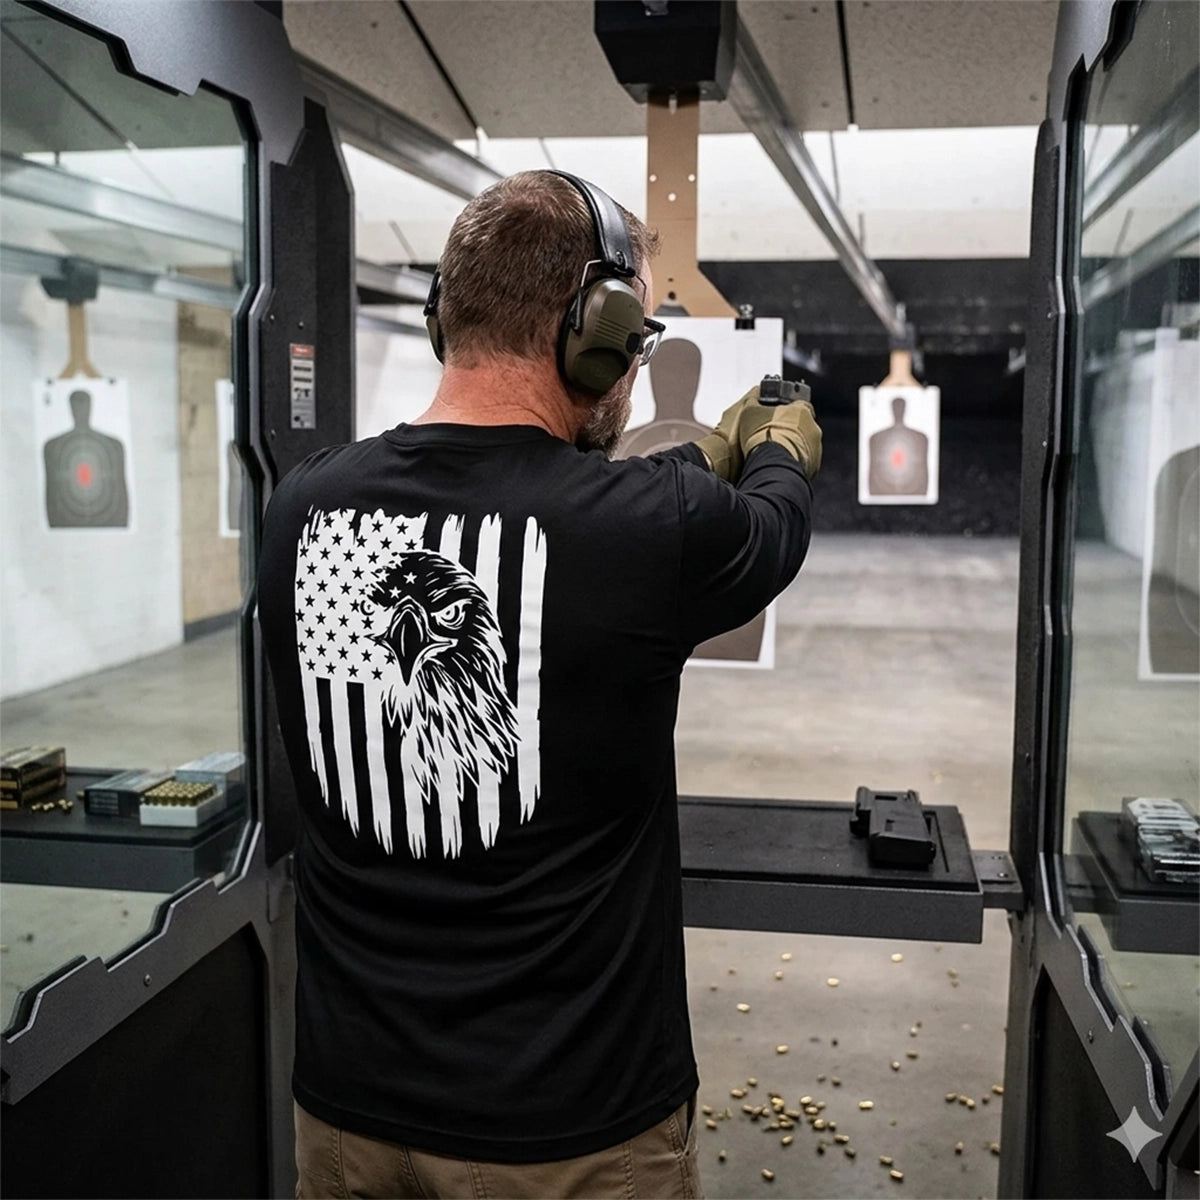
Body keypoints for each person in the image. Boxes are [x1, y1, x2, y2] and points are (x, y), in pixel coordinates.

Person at [256, 170, 822, 1199]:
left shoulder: (302, 511)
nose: (637, 375)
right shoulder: (649, 529)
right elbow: (770, 531)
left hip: (345, 1114)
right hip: (568, 1132)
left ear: (447, 318)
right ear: (592, 333)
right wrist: (777, 443)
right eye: (639, 341)